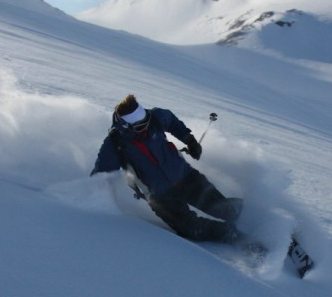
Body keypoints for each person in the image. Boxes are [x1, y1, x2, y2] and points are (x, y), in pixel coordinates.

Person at [91, 94, 245, 243]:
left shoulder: (155, 117)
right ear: (126, 125)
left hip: (186, 177)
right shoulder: (115, 143)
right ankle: (232, 235)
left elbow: (171, 121)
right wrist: (93, 195)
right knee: (190, 228)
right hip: (161, 196)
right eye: (140, 126)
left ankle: (249, 214)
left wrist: (189, 140)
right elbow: (101, 174)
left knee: (226, 210)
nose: (146, 127)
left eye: (146, 120)